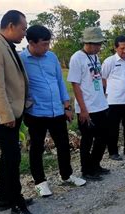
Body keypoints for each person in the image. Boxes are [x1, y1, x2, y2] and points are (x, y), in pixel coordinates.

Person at [0, 10, 40, 214]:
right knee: (13, 157)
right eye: (23, 28)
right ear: (11, 25)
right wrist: (6, 114)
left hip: (11, 111)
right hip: (0, 113)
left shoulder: (7, 46)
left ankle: (4, 199)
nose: (25, 32)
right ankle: (17, 205)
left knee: (8, 156)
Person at [21, 25, 86, 197]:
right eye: (44, 44)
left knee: (63, 144)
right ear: (31, 43)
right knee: (37, 148)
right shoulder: (21, 60)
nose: (47, 48)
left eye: (49, 44)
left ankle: (67, 175)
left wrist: (66, 106)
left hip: (56, 110)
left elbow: (59, 81)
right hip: (36, 112)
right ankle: (40, 182)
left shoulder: (51, 57)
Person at [67, 27, 110, 180]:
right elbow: (75, 85)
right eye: (97, 44)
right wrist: (83, 110)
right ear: (89, 43)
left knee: (103, 137)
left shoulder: (95, 57)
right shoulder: (77, 58)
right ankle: (87, 170)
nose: (99, 47)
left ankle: (96, 164)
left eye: (100, 44)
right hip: (87, 108)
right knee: (87, 140)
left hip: (101, 105)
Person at [102, 35, 125, 161]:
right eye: (122, 48)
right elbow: (102, 78)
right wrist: (106, 93)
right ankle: (113, 151)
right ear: (115, 48)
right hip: (114, 100)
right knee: (113, 127)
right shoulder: (109, 62)